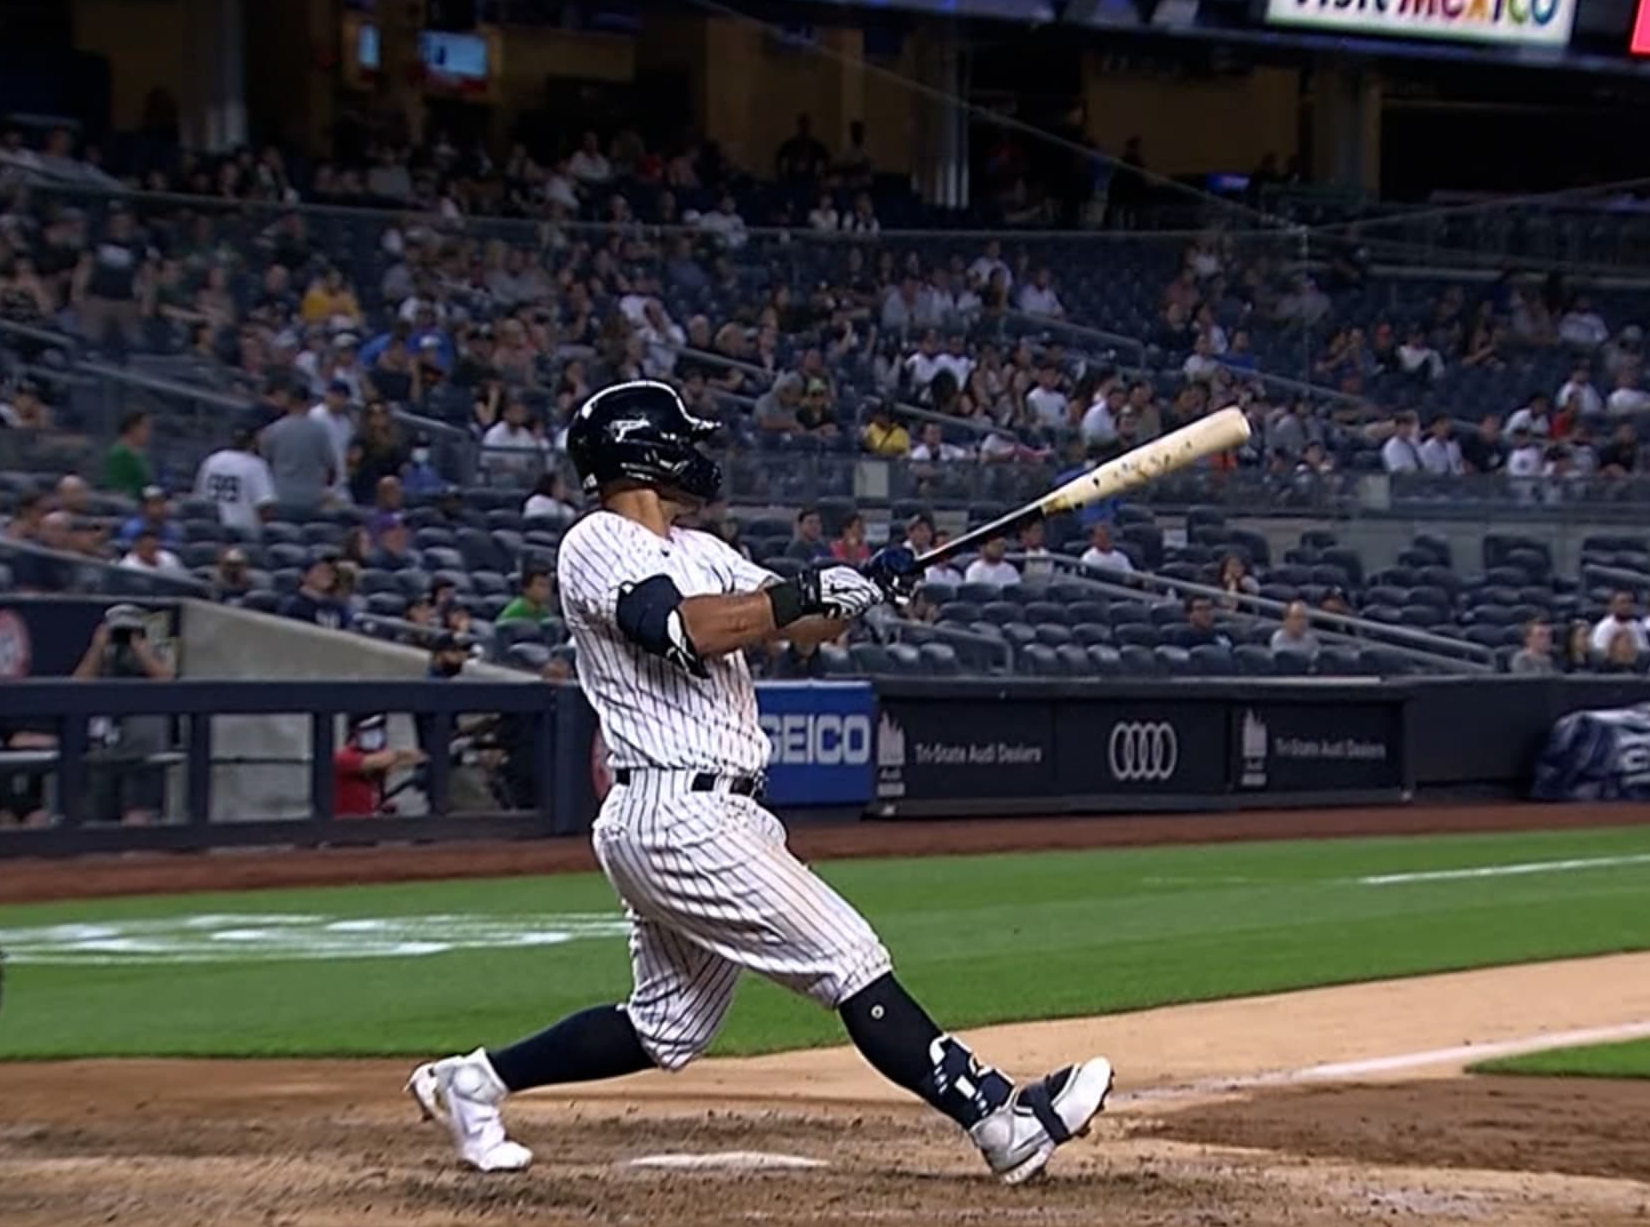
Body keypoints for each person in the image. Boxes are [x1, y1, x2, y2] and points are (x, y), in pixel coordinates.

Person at [407, 380, 1108, 1185]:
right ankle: (999, 1119)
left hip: (710, 812)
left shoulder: (701, 550)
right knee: (847, 957)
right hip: (677, 812)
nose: (695, 453)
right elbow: (685, 629)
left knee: (669, 1025)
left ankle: (475, 1082)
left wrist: (863, 585)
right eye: (682, 439)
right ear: (643, 450)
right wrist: (805, 593)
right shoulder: (597, 541)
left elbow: (797, 618)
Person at [71, 604, 175, 825]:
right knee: (99, 816)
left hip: (144, 744)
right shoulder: (103, 653)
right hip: (105, 743)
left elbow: (167, 681)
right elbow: (77, 685)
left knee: (138, 815)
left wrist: (141, 649)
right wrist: (98, 648)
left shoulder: (156, 650)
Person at [334, 714, 422, 817]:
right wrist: (401, 754)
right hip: (347, 822)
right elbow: (374, 762)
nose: (375, 734)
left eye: (377, 729)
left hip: (368, 819)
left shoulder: (376, 759)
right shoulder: (344, 757)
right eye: (368, 730)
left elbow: (394, 765)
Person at [194, 428, 278, 534]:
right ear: (254, 442)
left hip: (211, 531)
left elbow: (199, 497)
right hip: (243, 534)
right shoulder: (256, 465)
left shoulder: (212, 460)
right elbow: (265, 506)